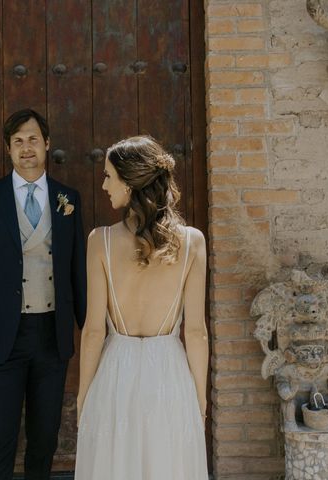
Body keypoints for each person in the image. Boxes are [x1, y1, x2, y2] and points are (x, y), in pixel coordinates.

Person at [0, 109, 86, 480]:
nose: (26, 148)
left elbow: (77, 270)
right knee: (0, 439)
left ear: (47, 144)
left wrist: (91, 327)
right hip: (3, 336)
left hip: (52, 335)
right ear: (8, 150)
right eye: (18, 142)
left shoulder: (68, 199)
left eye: (32, 139)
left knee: (44, 439)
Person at [75, 135, 209, 479]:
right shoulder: (193, 241)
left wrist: (83, 396)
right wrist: (199, 398)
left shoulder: (99, 241)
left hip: (115, 375)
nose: (104, 185)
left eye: (108, 176)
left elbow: (93, 332)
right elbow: (195, 332)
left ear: (130, 182)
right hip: (169, 375)